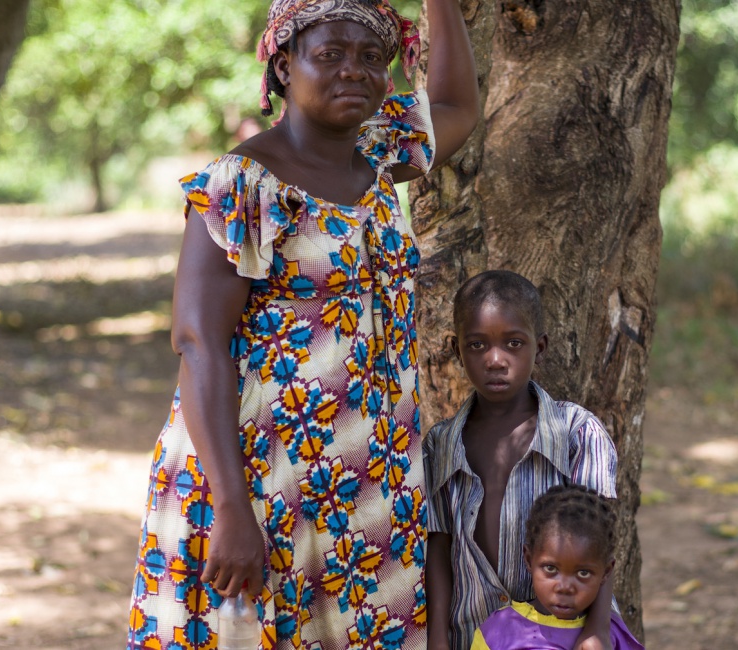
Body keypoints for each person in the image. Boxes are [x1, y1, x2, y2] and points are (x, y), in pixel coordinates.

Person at [126, 0, 478, 647]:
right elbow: (198, 344)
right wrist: (232, 508)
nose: (355, 71)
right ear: (284, 67)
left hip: (368, 476)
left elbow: (457, 107)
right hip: (259, 477)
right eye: (331, 54)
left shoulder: (376, 156)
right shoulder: (244, 186)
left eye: (373, 58)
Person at [423, 270, 623, 650]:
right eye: (477, 345)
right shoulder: (439, 445)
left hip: (568, 636)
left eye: (514, 343)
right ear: (456, 349)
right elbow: (439, 546)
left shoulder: (577, 434)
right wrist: (437, 638)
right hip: (475, 635)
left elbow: (602, 541)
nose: (496, 360)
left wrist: (597, 629)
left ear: (540, 347)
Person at [470, 485, 643, 650]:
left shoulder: (609, 637)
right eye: (551, 569)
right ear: (529, 560)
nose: (565, 587)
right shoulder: (499, 630)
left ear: (606, 572)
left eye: (583, 573)